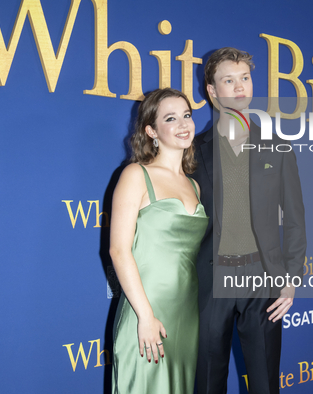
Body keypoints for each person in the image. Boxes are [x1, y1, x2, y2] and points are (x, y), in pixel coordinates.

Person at [191, 47, 307, 393]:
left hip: (263, 281)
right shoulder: (193, 152)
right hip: (211, 282)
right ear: (212, 91)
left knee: (265, 383)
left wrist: (292, 277)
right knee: (207, 383)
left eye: (245, 78)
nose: (240, 87)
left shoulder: (278, 147)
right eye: (229, 80)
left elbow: (297, 219)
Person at [109, 88, 208, 393]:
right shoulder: (136, 174)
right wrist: (145, 316)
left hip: (186, 313)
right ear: (151, 130)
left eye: (187, 115)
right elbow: (118, 250)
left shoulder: (194, 185)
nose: (183, 124)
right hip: (147, 310)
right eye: (171, 118)